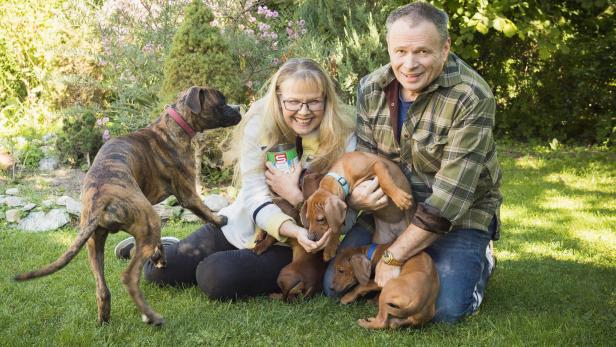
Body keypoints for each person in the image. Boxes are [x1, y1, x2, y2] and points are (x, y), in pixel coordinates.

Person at [115, 58, 356, 299]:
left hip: (294, 245)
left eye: (314, 102)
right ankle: (171, 246)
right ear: (279, 97)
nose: (303, 112)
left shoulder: (344, 137)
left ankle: (226, 263)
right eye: (293, 102)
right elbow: (254, 195)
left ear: (327, 99)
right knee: (157, 273)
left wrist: (295, 197)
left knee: (215, 275)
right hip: (243, 221)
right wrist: (291, 226)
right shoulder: (261, 119)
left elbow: (347, 214)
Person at [324, 2, 502, 324]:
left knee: (445, 310)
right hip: (392, 214)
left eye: (422, 51)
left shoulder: (471, 96)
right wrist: (357, 197)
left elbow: (449, 201)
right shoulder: (370, 87)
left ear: (445, 47)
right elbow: (364, 159)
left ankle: (480, 257)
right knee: (333, 286)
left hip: (455, 217)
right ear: (389, 48)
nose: (409, 64)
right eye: (400, 51)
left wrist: (394, 255)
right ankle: (419, 258)